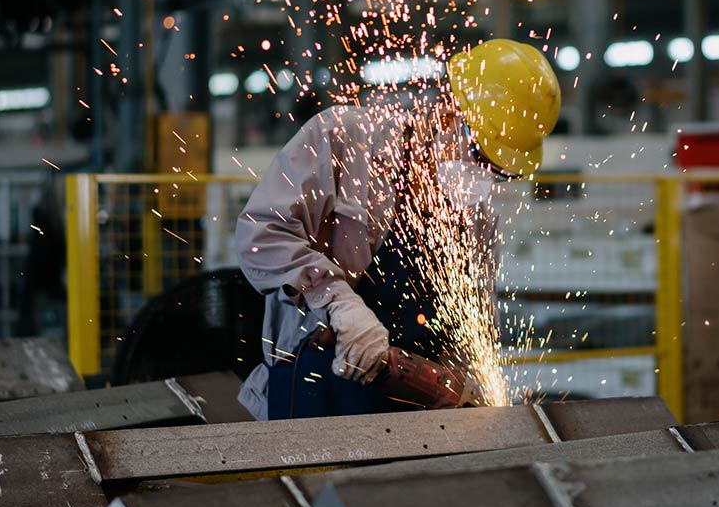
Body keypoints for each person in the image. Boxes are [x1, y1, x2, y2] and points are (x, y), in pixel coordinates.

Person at [234, 39, 560, 419]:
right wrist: (338, 304)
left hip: (412, 406)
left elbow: (474, 321)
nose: (483, 175)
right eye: (479, 156)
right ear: (447, 111)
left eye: (497, 169)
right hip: (321, 383)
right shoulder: (346, 138)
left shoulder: (474, 216)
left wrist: (471, 387)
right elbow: (263, 233)